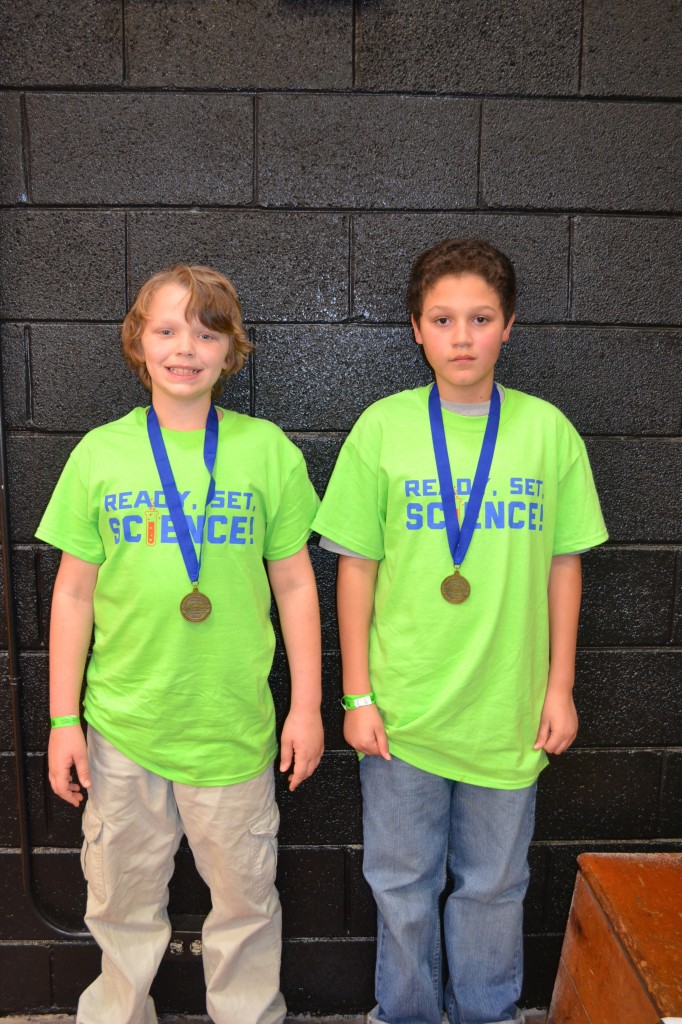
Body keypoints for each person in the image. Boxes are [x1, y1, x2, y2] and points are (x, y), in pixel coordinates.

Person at [312, 239, 608, 1024]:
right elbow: (356, 571)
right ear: (417, 329)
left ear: (509, 325)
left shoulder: (548, 433)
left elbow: (565, 568)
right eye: (443, 319)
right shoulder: (382, 429)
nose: (463, 337)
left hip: (508, 711)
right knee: (401, 884)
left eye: (480, 318)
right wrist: (357, 697)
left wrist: (560, 688)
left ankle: (486, 1015)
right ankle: (406, 1015)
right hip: (402, 714)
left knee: (495, 887)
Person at [37, 264, 323, 1024]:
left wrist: (307, 708)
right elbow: (72, 594)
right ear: (139, 343)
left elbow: (297, 585)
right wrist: (64, 720)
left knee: (246, 904)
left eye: (206, 332)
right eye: (166, 330)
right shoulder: (100, 454)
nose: (185, 348)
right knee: (120, 905)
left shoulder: (267, 452)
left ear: (231, 350)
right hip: (123, 727)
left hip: (232, 727)